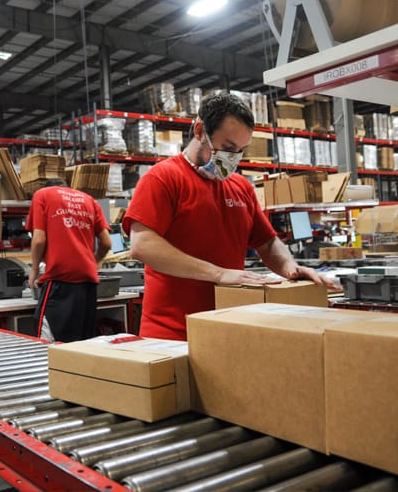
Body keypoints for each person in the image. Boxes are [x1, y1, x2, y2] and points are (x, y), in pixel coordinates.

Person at [122, 93, 339, 341]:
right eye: (227, 148)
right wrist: (219, 274)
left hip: (229, 327)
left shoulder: (241, 187)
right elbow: (143, 245)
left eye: (240, 151)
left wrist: (289, 268)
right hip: (172, 334)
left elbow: (266, 241)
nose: (232, 158)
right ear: (200, 130)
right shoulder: (163, 178)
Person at [26, 178, 112, 342]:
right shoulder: (89, 200)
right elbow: (106, 242)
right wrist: (93, 262)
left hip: (60, 281)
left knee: (46, 345)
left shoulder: (42, 195)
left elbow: (38, 240)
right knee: (80, 346)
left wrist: (35, 269)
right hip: (88, 285)